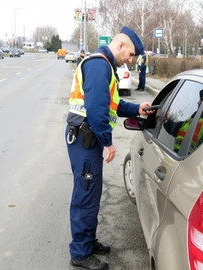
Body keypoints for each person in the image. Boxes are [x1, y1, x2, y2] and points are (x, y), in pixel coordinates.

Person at [65, 26, 154, 270]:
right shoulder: (98, 65)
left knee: (91, 194)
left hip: (87, 139)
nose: (132, 60)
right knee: (85, 196)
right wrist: (108, 142)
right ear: (121, 45)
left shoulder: (106, 66)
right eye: (131, 54)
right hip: (87, 139)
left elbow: (112, 103)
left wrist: (137, 109)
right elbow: (97, 111)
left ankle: (88, 241)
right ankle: (80, 253)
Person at [164, 88, 203, 153]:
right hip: (175, 157)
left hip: (186, 162)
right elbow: (176, 129)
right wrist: (167, 121)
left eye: (201, 100)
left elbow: (202, 154)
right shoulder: (194, 118)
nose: (198, 102)